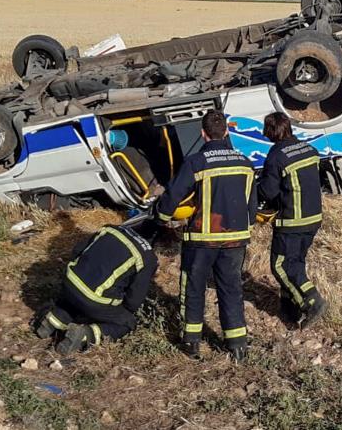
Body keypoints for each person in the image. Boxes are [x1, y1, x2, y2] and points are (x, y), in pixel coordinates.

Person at [156, 110, 257, 362]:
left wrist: (161, 218)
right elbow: (252, 207)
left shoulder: (195, 162)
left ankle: (191, 342)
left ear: (203, 134)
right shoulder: (245, 163)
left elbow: (172, 195)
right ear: (227, 132)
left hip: (201, 240)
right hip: (236, 240)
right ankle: (237, 345)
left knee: (193, 287)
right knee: (231, 288)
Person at [34, 219, 158, 354]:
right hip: (93, 298)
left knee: (77, 298)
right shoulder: (147, 257)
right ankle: (85, 335)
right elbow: (134, 300)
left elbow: (77, 250)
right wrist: (118, 309)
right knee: (127, 322)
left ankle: (54, 319)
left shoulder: (110, 229)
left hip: (70, 282)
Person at [257, 112, 327, 328]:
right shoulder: (309, 149)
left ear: (270, 132)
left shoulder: (277, 155)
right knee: (296, 263)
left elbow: (268, 191)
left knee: (280, 266)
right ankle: (289, 310)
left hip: (292, 221)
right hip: (313, 218)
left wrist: (253, 190)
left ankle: (311, 302)